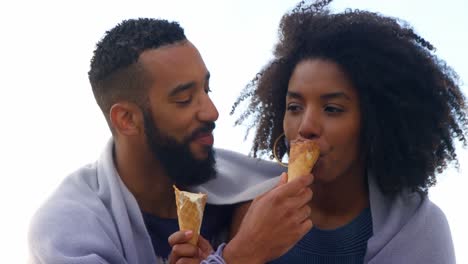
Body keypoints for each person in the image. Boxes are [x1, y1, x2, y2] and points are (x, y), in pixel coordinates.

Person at [28, 18, 314, 264]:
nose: (211, 111)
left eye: (207, 88)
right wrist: (241, 255)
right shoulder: (66, 229)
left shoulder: (255, 186)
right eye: (184, 99)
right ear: (126, 119)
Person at [227, 0, 467, 263]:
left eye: (332, 109)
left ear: (376, 122)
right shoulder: (248, 212)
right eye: (294, 107)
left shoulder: (420, 231)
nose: (306, 126)